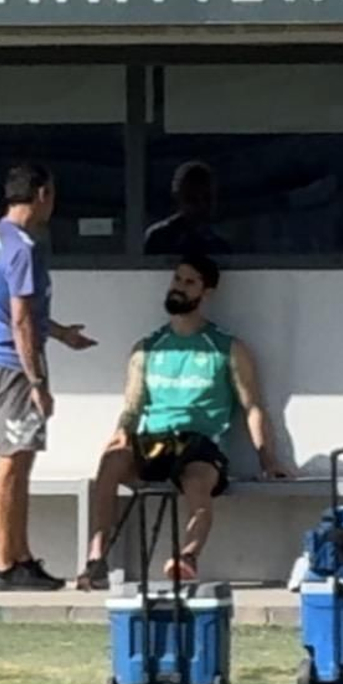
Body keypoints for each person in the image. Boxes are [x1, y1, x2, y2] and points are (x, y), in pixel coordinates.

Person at [76, 253, 292, 591]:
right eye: (177, 279)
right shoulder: (146, 349)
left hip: (199, 441)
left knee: (197, 481)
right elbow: (132, 407)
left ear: (206, 292)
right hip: (157, 440)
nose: (179, 288)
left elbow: (252, 407)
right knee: (111, 462)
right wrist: (120, 434)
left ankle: (188, 557)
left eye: (189, 282)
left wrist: (269, 460)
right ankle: (96, 559)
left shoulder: (226, 348)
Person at [0, 163, 98, 592]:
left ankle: (20, 557)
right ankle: (5, 564)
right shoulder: (22, 247)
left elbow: (22, 313)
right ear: (42, 194)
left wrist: (62, 334)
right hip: (11, 369)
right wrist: (39, 384)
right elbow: (21, 320)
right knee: (11, 463)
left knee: (19, 461)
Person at [144, 160, 232, 256]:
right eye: (192, 199)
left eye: (207, 198)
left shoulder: (219, 246)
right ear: (177, 198)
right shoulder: (159, 238)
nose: (201, 205)